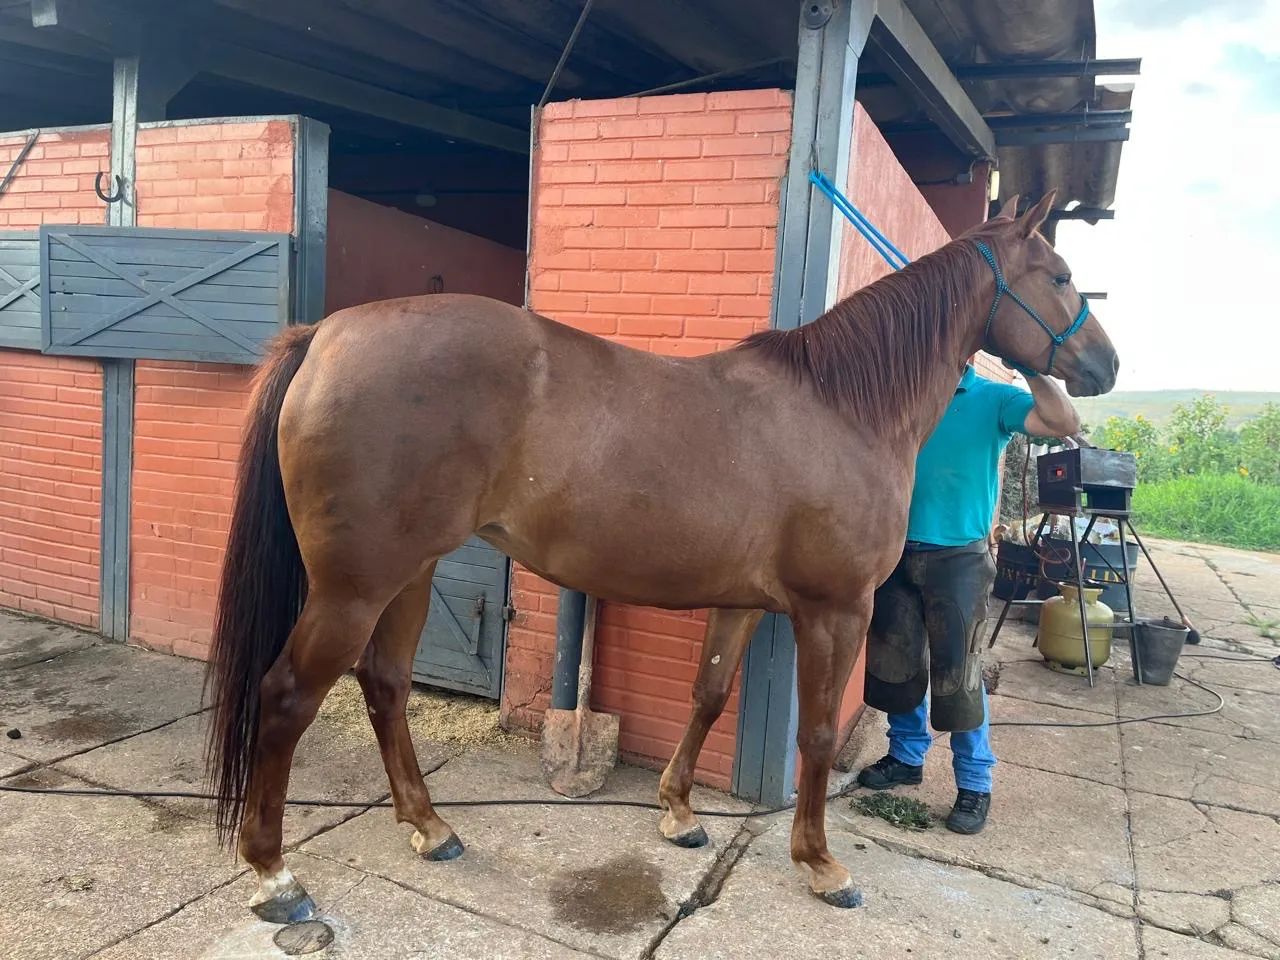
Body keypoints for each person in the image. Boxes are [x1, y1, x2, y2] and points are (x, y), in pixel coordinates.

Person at [857, 361, 1080, 834]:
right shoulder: (906, 392)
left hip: (959, 557)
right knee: (899, 664)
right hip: (893, 550)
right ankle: (905, 757)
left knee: (961, 671)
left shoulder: (996, 400)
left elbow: (1063, 423)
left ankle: (974, 784)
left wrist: (1034, 369)